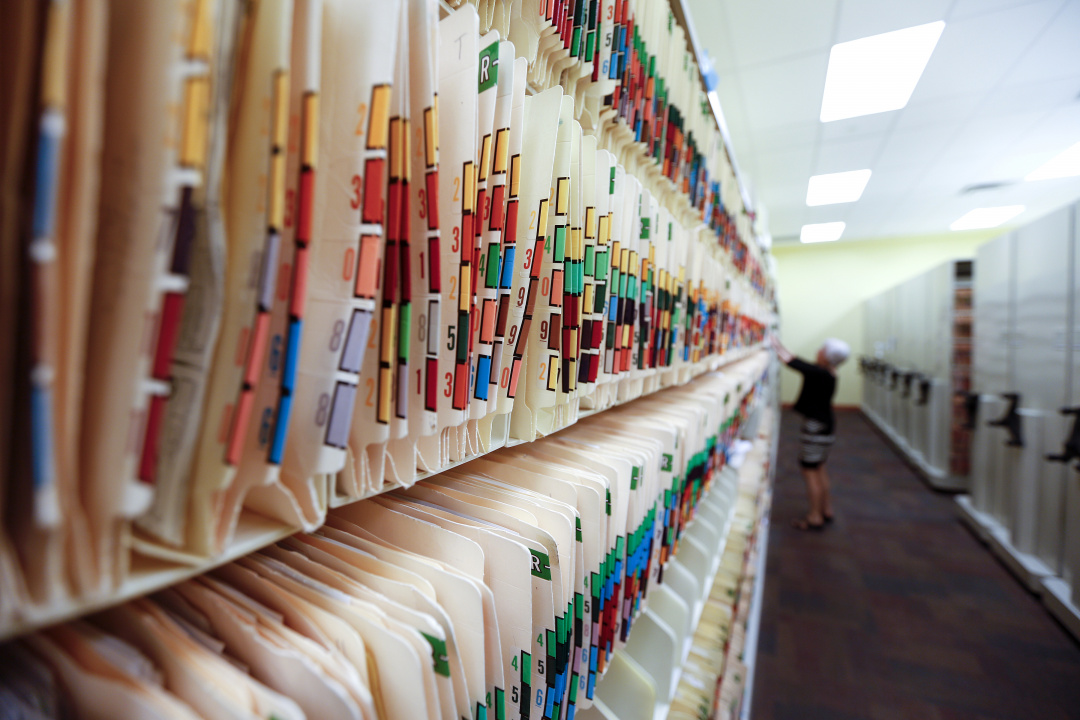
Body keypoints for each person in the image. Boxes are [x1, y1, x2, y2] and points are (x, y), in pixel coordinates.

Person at [771, 335, 850, 531]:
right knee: (819, 467)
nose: (818, 351)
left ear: (828, 357)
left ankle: (815, 516)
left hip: (816, 427)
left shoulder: (819, 373)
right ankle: (826, 508)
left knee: (809, 470)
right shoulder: (830, 372)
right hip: (827, 425)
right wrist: (778, 345)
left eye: (822, 350)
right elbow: (798, 361)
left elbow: (793, 362)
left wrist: (773, 344)